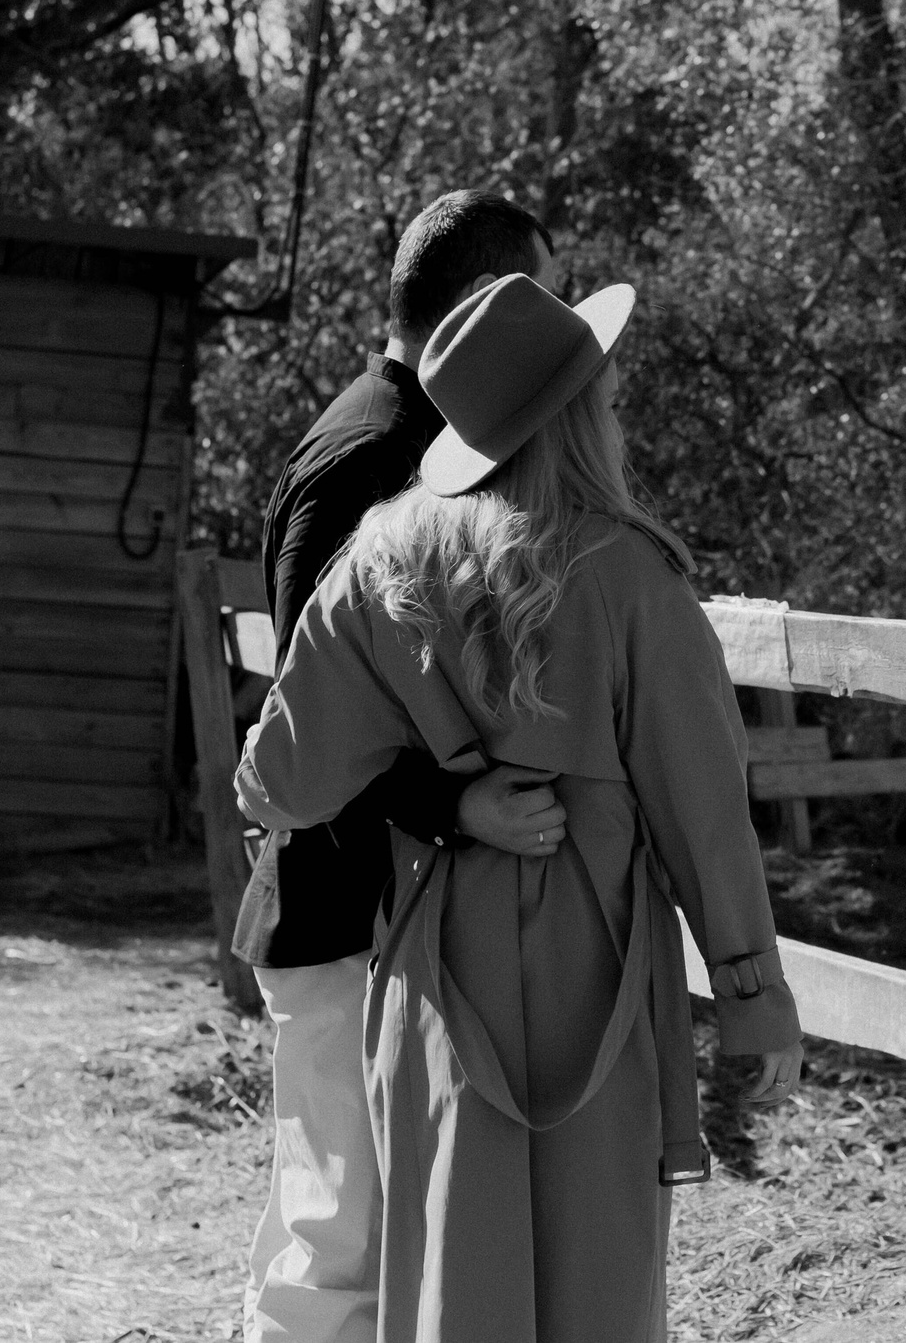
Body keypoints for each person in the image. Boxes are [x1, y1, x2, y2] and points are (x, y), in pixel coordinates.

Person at [236, 272, 804, 1343]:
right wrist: (752, 997)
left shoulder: (378, 564)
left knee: (450, 1274)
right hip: (597, 962)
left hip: (434, 970)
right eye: (612, 396)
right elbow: (703, 813)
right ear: (577, 415)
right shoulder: (635, 579)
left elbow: (276, 782)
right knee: (600, 1281)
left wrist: (442, 789)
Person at [237, 190, 572, 1343]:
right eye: (545, 297)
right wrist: (454, 802)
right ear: (482, 306)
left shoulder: (411, 441)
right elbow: (308, 717)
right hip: (342, 907)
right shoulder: (367, 460)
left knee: (351, 1239)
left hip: (380, 909)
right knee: (340, 1251)